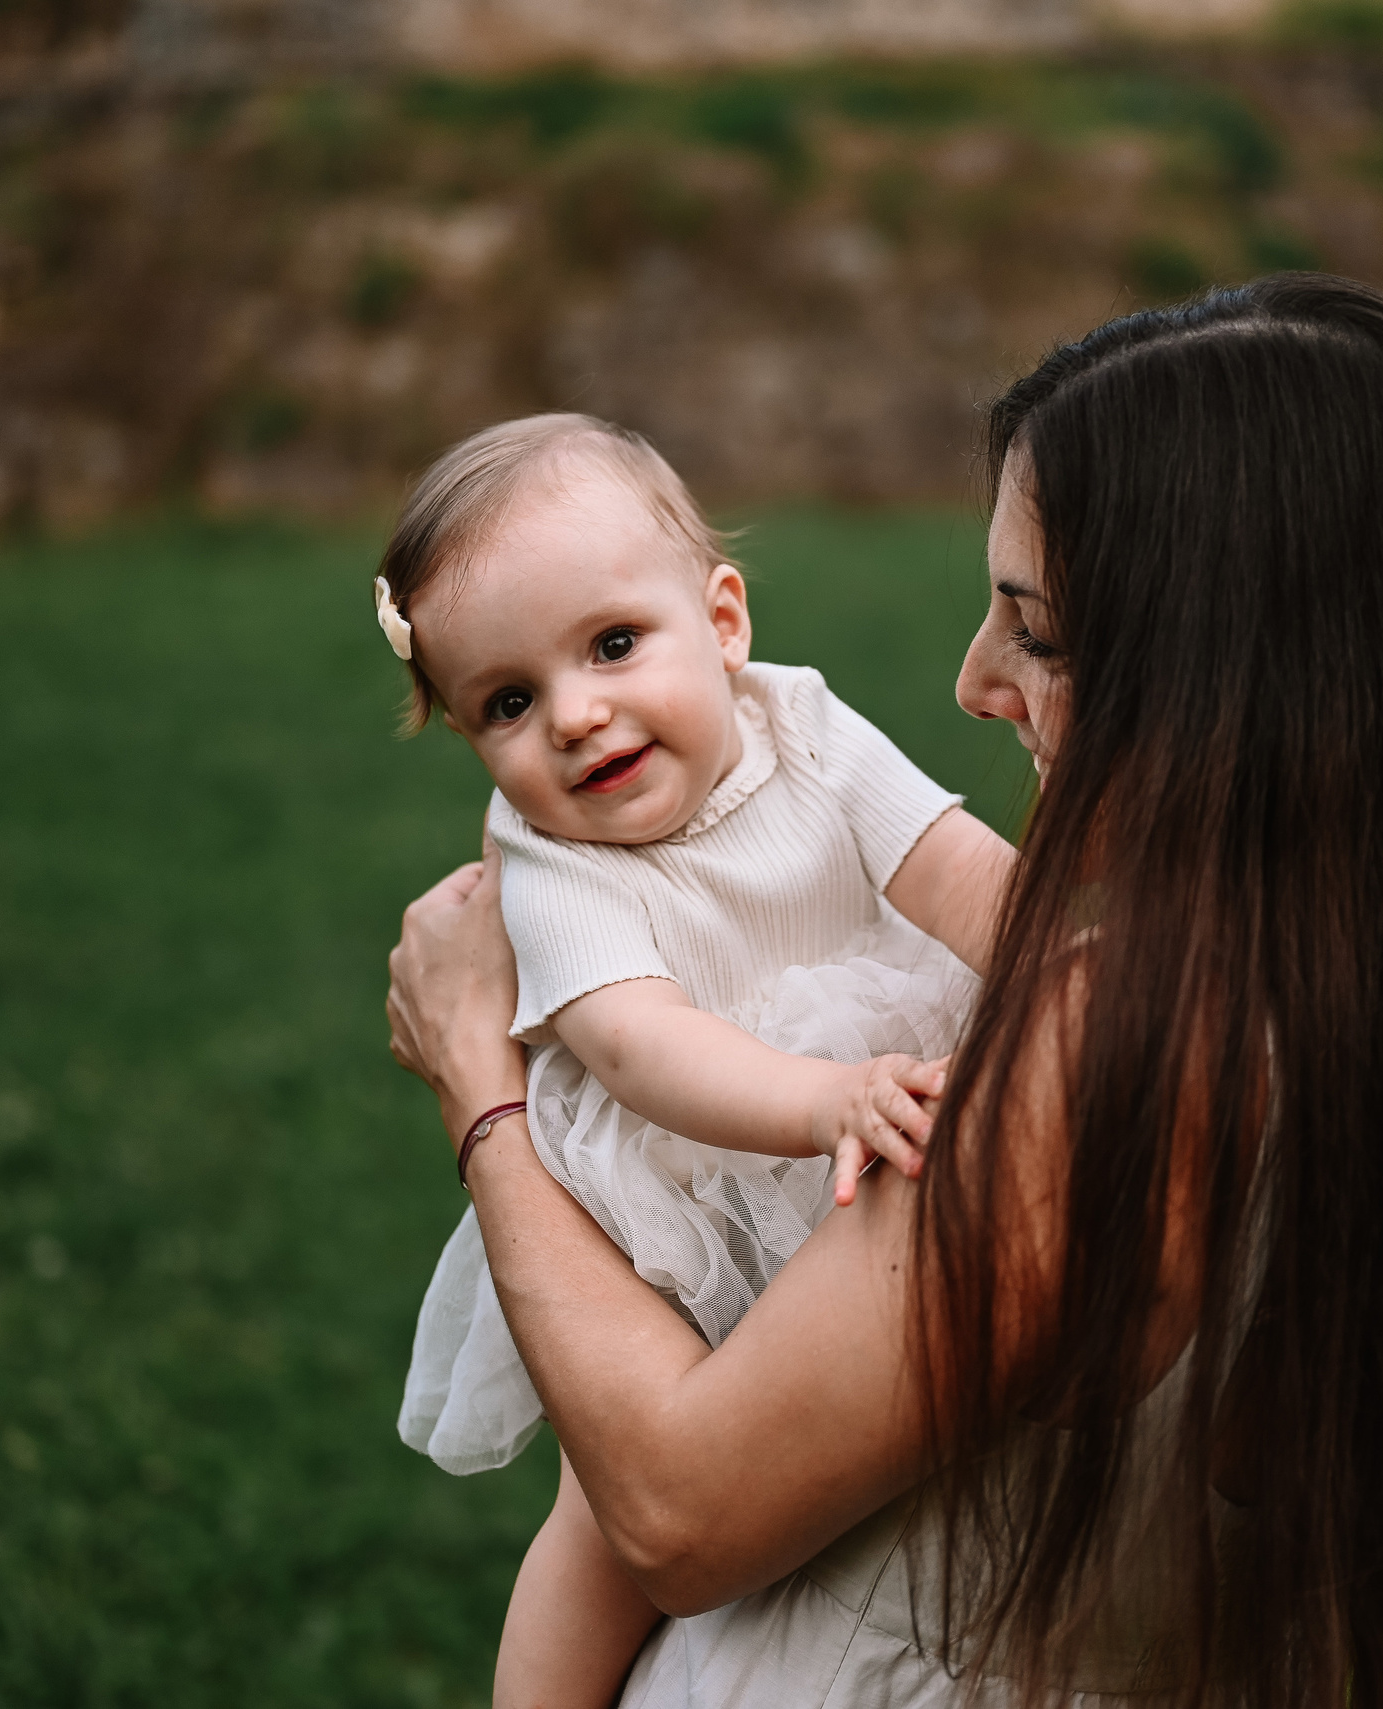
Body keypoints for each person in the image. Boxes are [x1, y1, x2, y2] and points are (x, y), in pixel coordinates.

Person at [387, 274, 1383, 1708]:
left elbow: (677, 1511)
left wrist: (480, 1081)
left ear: (1225, 673)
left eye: (1035, 631)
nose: (975, 682)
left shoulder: (1122, 1048)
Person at [377, 414, 1016, 1707]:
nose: (576, 715)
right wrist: (820, 1098)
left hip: (863, 1074)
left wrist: (1061, 960)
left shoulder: (806, 720)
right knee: (606, 1522)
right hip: (677, 1179)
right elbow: (639, 1043)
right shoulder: (550, 859)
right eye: (509, 702)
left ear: (723, 621)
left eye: (613, 644)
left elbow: (948, 864)